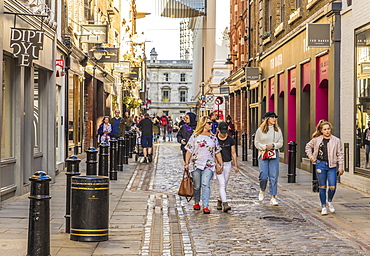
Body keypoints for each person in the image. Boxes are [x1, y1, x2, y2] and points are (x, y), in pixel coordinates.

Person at [184, 116, 223, 214]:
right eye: (209, 123)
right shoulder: (195, 136)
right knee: (197, 185)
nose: (211, 125)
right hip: (195, 163)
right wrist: (186, 163)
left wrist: (220, 164)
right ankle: (197, 202)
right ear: (203, 124)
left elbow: (217, 151)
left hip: (208, 164)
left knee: (206, 184)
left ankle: (205, 205)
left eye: (211, 123)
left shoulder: (213, 137)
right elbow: (189, 150)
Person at [305, 120, 344, 215]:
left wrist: (341, 167)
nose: (327, 131)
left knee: (333, 186)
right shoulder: (317, 139)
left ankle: (329, 201)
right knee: (322, 186)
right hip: (320, 165)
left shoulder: (336, 140)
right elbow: (308, 147)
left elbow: (340, 154)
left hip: (332, 166)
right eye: (325, 129)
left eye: (328, 129)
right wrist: (311, 157)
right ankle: (323, 206)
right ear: (321, 130)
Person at [254, 111, 283, 206]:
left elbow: (281, 143)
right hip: (263, 154)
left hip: (274, 154)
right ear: (267, 119)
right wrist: (265, 147)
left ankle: (273, 197)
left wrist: (273, 145)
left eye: (275, 117)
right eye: (272, 117)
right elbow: (256, 143)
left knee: (274, 176)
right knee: (263, 175)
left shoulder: (277, 130)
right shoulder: (260, 130)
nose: (274, 119)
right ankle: (262, 189)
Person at [216, 122, 239, 212]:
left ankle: (219, 200)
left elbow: (233, 152)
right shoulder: (215, 139)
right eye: (222, 132)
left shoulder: (230, 140)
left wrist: (236, 165)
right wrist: (216, 165)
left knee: (224, 184)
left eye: (225, 132)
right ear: (218, 130)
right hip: (218, 164)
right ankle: (225, 204)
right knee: (222, 183)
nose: (224, 134)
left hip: (227, 163)